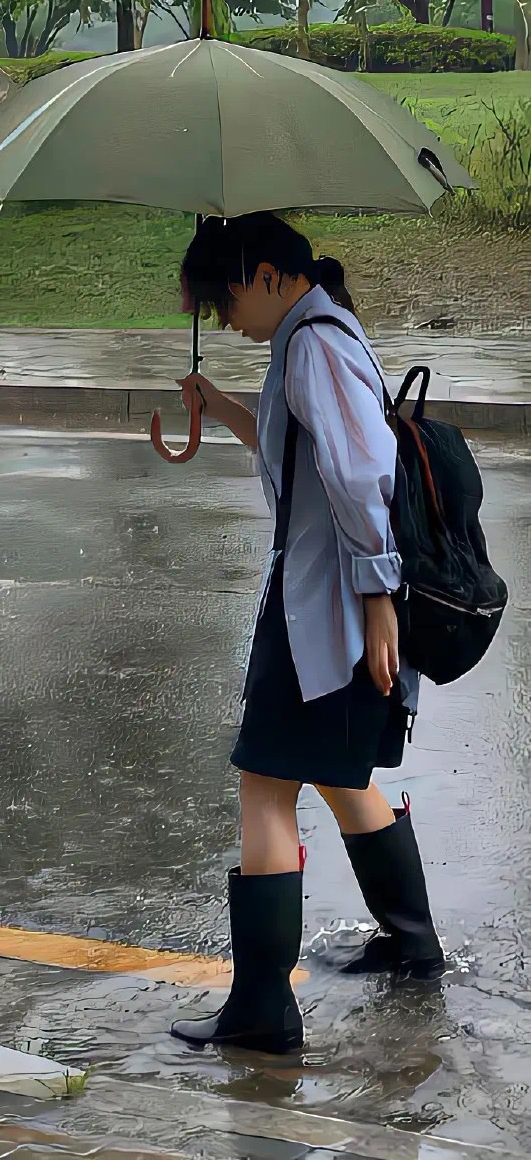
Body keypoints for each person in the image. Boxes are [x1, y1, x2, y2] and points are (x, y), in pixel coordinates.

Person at [170, 212, 444, 1056]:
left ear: (266, 275)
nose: (225, 320)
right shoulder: (309, 336)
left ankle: (262, 1010)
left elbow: (360, 474)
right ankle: (412, 944)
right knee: (334, 770)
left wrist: (378, 595)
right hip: (326, 603)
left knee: (264, 785)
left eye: (225, 300)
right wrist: (218, 404)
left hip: (320, 608)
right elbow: (297, 453)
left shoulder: (315, 343)